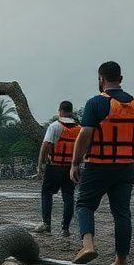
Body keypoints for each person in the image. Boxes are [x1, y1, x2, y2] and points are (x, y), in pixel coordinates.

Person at [70, 61, 134, 265]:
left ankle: (88, 245)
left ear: (101, 79)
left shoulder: (96, 103)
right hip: (125, 166)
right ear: (120, 79)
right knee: (122, 213)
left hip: (98, 165)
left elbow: (85, 135)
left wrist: (75, 163)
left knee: (85, 205)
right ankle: (121, 260)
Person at [34, 101, 79, 236]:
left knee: (47, 193)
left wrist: (40, 165)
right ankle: (65, 228)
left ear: (60, 111)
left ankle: (46, 223)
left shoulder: (54, 126)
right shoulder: (79, 128)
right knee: (68, 197)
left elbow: (45, 145)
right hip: (70, 168)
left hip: (54, 166)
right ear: (71, 112)